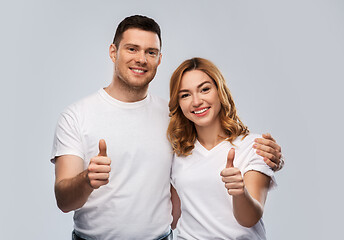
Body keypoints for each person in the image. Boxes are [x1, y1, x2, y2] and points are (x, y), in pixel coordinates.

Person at [51, 15, 283, 240]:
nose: (141, 59)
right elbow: (63, 201)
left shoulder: (173, 118)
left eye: (150, 52)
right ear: (113, 52)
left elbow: (215, 148)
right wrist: (87, 179)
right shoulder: (76, 116)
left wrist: (270, 157)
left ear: (159, 59)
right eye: (132, 49)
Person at [168, 57, 278, 239]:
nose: (196, 101)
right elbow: (170, 218)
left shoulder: (254, 145)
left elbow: (250, 218)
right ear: (178, 103)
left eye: (204, 89)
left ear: (219, 91)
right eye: (185, 95)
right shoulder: (178, 153)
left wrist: (240, 192)